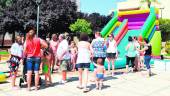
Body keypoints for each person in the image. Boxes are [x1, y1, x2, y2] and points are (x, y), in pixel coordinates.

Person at [24, 26, 48, 91]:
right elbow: (46, 45)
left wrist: (25, 56)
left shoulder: (27, 40)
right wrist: (40, 47)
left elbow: (24, 50)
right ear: (35, 34)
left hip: (29, 57)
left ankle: (29, 87)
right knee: (37, 72)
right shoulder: (38, 39)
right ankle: (36, 87)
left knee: (29, 72)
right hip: (37, 57)